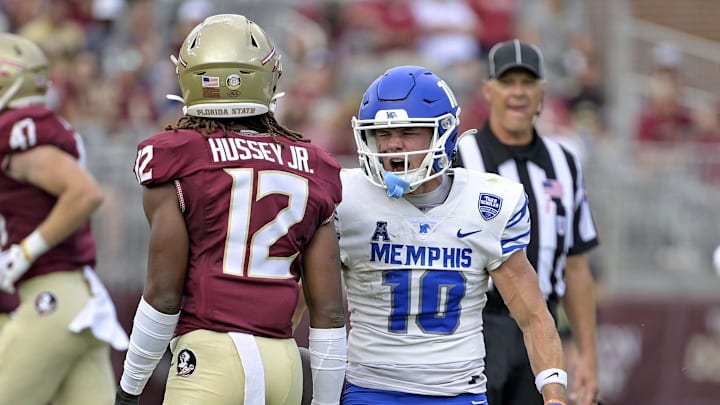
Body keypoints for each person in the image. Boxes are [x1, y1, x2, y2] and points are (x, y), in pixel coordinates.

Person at [114, 14, 347, 405]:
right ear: (269, 77)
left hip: (209, 358)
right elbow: (328, 312)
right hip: (283, 363)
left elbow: (164, 294)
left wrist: (130, 386)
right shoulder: (314, 165)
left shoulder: (176, 154)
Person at [335, 65, 568, 405]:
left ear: (443, 134)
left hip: (457, 393)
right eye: (382, 134)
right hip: (371, 390)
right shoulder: (344, 197)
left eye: (408, 131)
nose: (392, 146)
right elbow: (305, 300)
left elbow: (533, 316)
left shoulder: (487, 204)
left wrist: (555, 396)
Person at [456, 39, 600, 405]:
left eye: (527, 82)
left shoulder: (565, 162)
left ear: (543, 92)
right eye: (508, 82)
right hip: (477, 324)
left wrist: (587, 354)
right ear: (489, 90)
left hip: (543, 329)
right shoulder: (461, 156)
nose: (518, 93)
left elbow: (577, 266)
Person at [0, 33, 129, 404]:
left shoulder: (19, 133)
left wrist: (25, 251)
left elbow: (85, 193)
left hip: (47, 300)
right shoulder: (35, 129)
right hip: (75, 300)